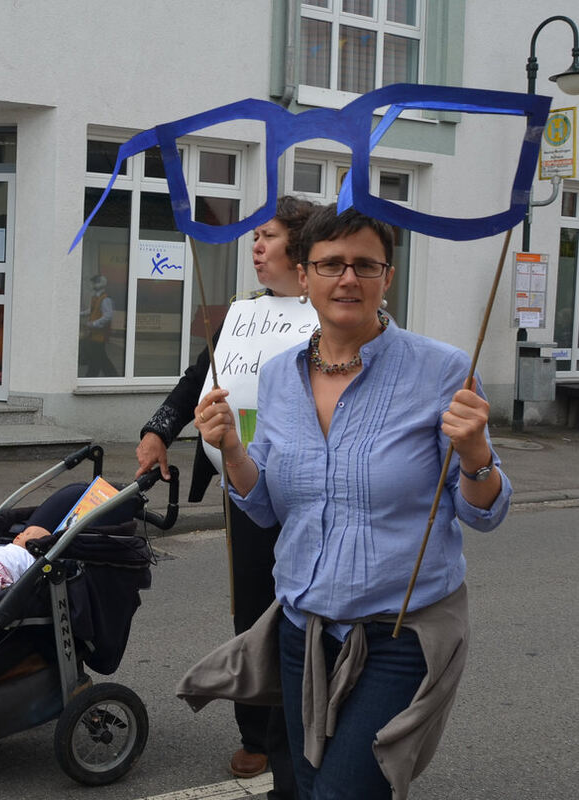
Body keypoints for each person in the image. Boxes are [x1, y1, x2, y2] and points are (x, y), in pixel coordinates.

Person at [184, 204, 512, 799]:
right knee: (301, 786)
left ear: (388, 277)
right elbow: (269, 508)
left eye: (366, 264)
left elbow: (484, 510)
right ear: (303, 276)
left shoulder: (443, 372)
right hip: (303, 630)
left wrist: (474, 453)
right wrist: (232, 449)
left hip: (401, 630)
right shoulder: (280, 375)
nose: (348, 279)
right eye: (331, 264)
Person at [137, 195, 315, 795]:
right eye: (254, 236)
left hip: (311, 494)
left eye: (267, 236)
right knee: (251, 607)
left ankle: (307, 718)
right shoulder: (243, 311)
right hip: (243, 490)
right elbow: (198, 378)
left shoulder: (330, 313)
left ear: (301, 246)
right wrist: (159, 428)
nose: (255, 247)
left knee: (305, 607)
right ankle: (257, 734)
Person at [80, 274, 116, 376]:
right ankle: (113, 377)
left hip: (99, 335)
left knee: (96, 359)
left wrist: (93, 324)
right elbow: (92, 311)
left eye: (95, 282)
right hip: (94, 334)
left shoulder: (105, 299)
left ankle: (91, 377)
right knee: (100, 359)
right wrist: (79, 314)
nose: (92, 284)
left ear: (101, 284)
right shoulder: (96, 298)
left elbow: (108, 316)